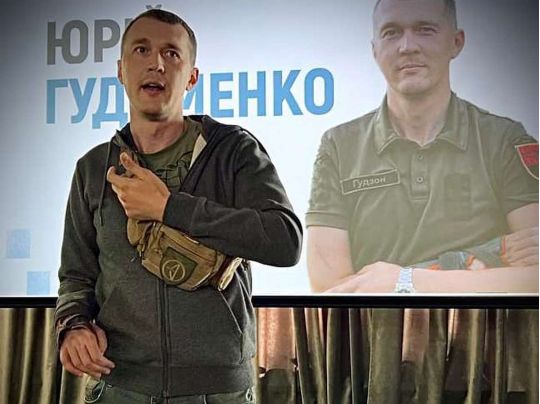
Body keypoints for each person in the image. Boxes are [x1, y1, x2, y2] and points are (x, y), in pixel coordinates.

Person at [54, 8, 302, 403]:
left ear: (191, 77)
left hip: (217, 390)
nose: (156, 63)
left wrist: (170, 208)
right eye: (141, 50)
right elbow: (76, 274)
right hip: (119, 385)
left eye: (171, 53)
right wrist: (73, 325)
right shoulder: (93, 168)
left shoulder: (234, 151)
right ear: (121, 71)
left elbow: (286, 241)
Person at [306, 0, 538, 293]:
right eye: (391, 32)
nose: (407, 46)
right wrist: (476, 260)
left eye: (425, 29)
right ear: (375, 50)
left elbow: (535, 280)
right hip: (376, 326)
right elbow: (330, 289)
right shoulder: (339, 147)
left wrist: (406, 280)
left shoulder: (504, 140)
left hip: (473, 325)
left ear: (456, 42)